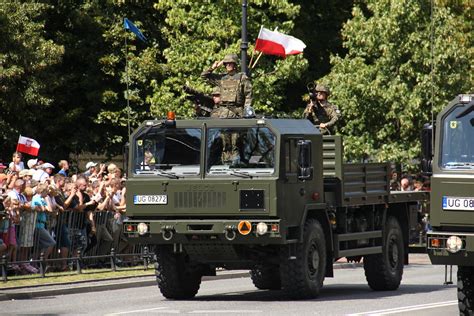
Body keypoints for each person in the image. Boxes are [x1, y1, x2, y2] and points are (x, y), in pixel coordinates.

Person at [201, 53, 252, 118]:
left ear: (235, 64)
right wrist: (213, 67)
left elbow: (248, 95)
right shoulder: (222, 78)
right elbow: (203, 76)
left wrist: (246, 111)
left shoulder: (242, 78)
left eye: (230, 63)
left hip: (237, 113)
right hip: (223, 112)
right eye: (226, 63)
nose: (228, 65)